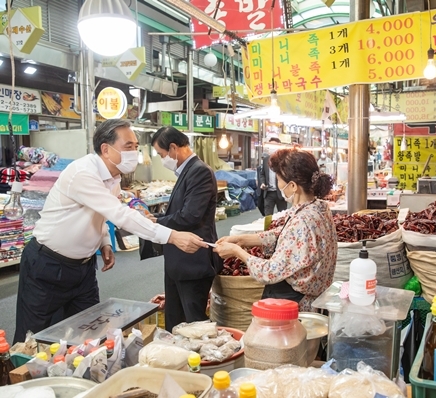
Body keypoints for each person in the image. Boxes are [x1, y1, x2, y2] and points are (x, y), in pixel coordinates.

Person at [13, 120, 208, 343]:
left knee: (88, 332)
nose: (134, 152)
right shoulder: (83, 173)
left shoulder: (113, 177)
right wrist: (172, 236)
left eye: (136, 146)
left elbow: (101, 213)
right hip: (47, 266)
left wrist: (104, 241)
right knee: (31, 338)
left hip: (83, 269)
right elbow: (120, 214)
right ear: (106, 149)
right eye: (128, 147)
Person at [214, 148, 338, 311]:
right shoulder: (319, 207)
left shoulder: (302, 221)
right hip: (313, 296)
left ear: (293, 186)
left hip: (295, 304)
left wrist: (238, 252)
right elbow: (287, 235)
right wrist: (243, 240)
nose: (279, 185)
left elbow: (269, 272)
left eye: (279, 180)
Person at [151, 126, 222, 330]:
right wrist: (156, 217)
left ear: (173, 148)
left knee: (194, 325)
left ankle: (198, 361)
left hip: (193, 262)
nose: (161, 158)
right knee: (176, 321)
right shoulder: (186, 171)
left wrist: (156, 222)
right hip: (178, 262)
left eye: (161, 154)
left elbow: (190, 215)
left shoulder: (199, 171)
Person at [259, 137, 287, 216]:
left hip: (280, 192)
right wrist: (263, 183)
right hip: (268, 192)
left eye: (274, 146)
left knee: (283, 215)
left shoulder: (284, 160)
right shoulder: (265, 160)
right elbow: (262, 173)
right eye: (270, 146)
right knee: (268, 216)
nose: (272, 148)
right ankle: (268, 228)